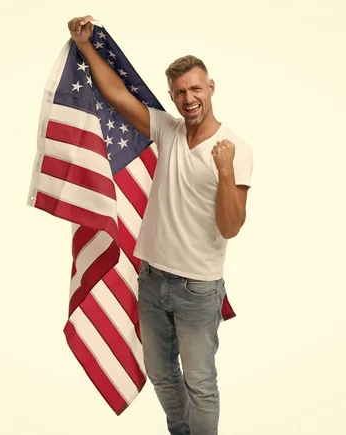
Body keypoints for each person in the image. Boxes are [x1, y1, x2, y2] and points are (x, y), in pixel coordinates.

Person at [68, 15, 253, 435]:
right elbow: (116, 95)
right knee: (161, 373)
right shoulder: (168, 130)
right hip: (151, 279)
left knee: (200, 383)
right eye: (180, 91)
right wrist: (85, 47)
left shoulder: (235, 149)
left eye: (195, 89)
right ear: (172, 96)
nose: (189, 98)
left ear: (210, 89)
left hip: (197, 288)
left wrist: (225, 172)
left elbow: (230, 227)